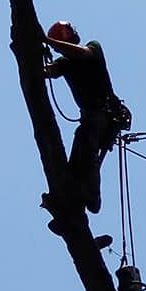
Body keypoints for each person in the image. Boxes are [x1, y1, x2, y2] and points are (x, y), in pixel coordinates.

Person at [43, 21, 122, 216]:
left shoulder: (92, 47)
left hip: (104, 114)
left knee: (87, 149)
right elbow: (48, 71)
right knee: (76, 163)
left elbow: (82, 54)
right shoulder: (64, 63)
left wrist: (45, 40)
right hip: (89, 118)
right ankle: (74, 204)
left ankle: (92, 197)